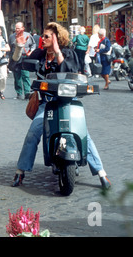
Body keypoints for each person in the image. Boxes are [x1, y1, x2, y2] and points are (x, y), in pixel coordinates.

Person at [12, 22, 111, 190]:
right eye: (43, 36)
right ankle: (20, 171)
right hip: (47, 103)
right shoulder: (40, 54)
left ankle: (101, 173)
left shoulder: (68, 53)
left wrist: (57, 51)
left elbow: (71, 70)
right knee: (33, 132)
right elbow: (16, 64)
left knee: (84, 133)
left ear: (57, 37)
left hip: (68, 102)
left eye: (46, 36)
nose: (42, 39)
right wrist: (19, 47)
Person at [8, 22, 36, 100]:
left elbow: (33, 45)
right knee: (17, 76)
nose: (17, 30)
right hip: (15, 58)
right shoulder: (12, 37)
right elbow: (10, 49)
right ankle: (19, 93)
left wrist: (30, 52)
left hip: (25, 58)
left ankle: (27, 93)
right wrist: (9, 59)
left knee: (25, 76)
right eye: (16, 28)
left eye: (18, 28)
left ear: (23, 28)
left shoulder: (28, 35)